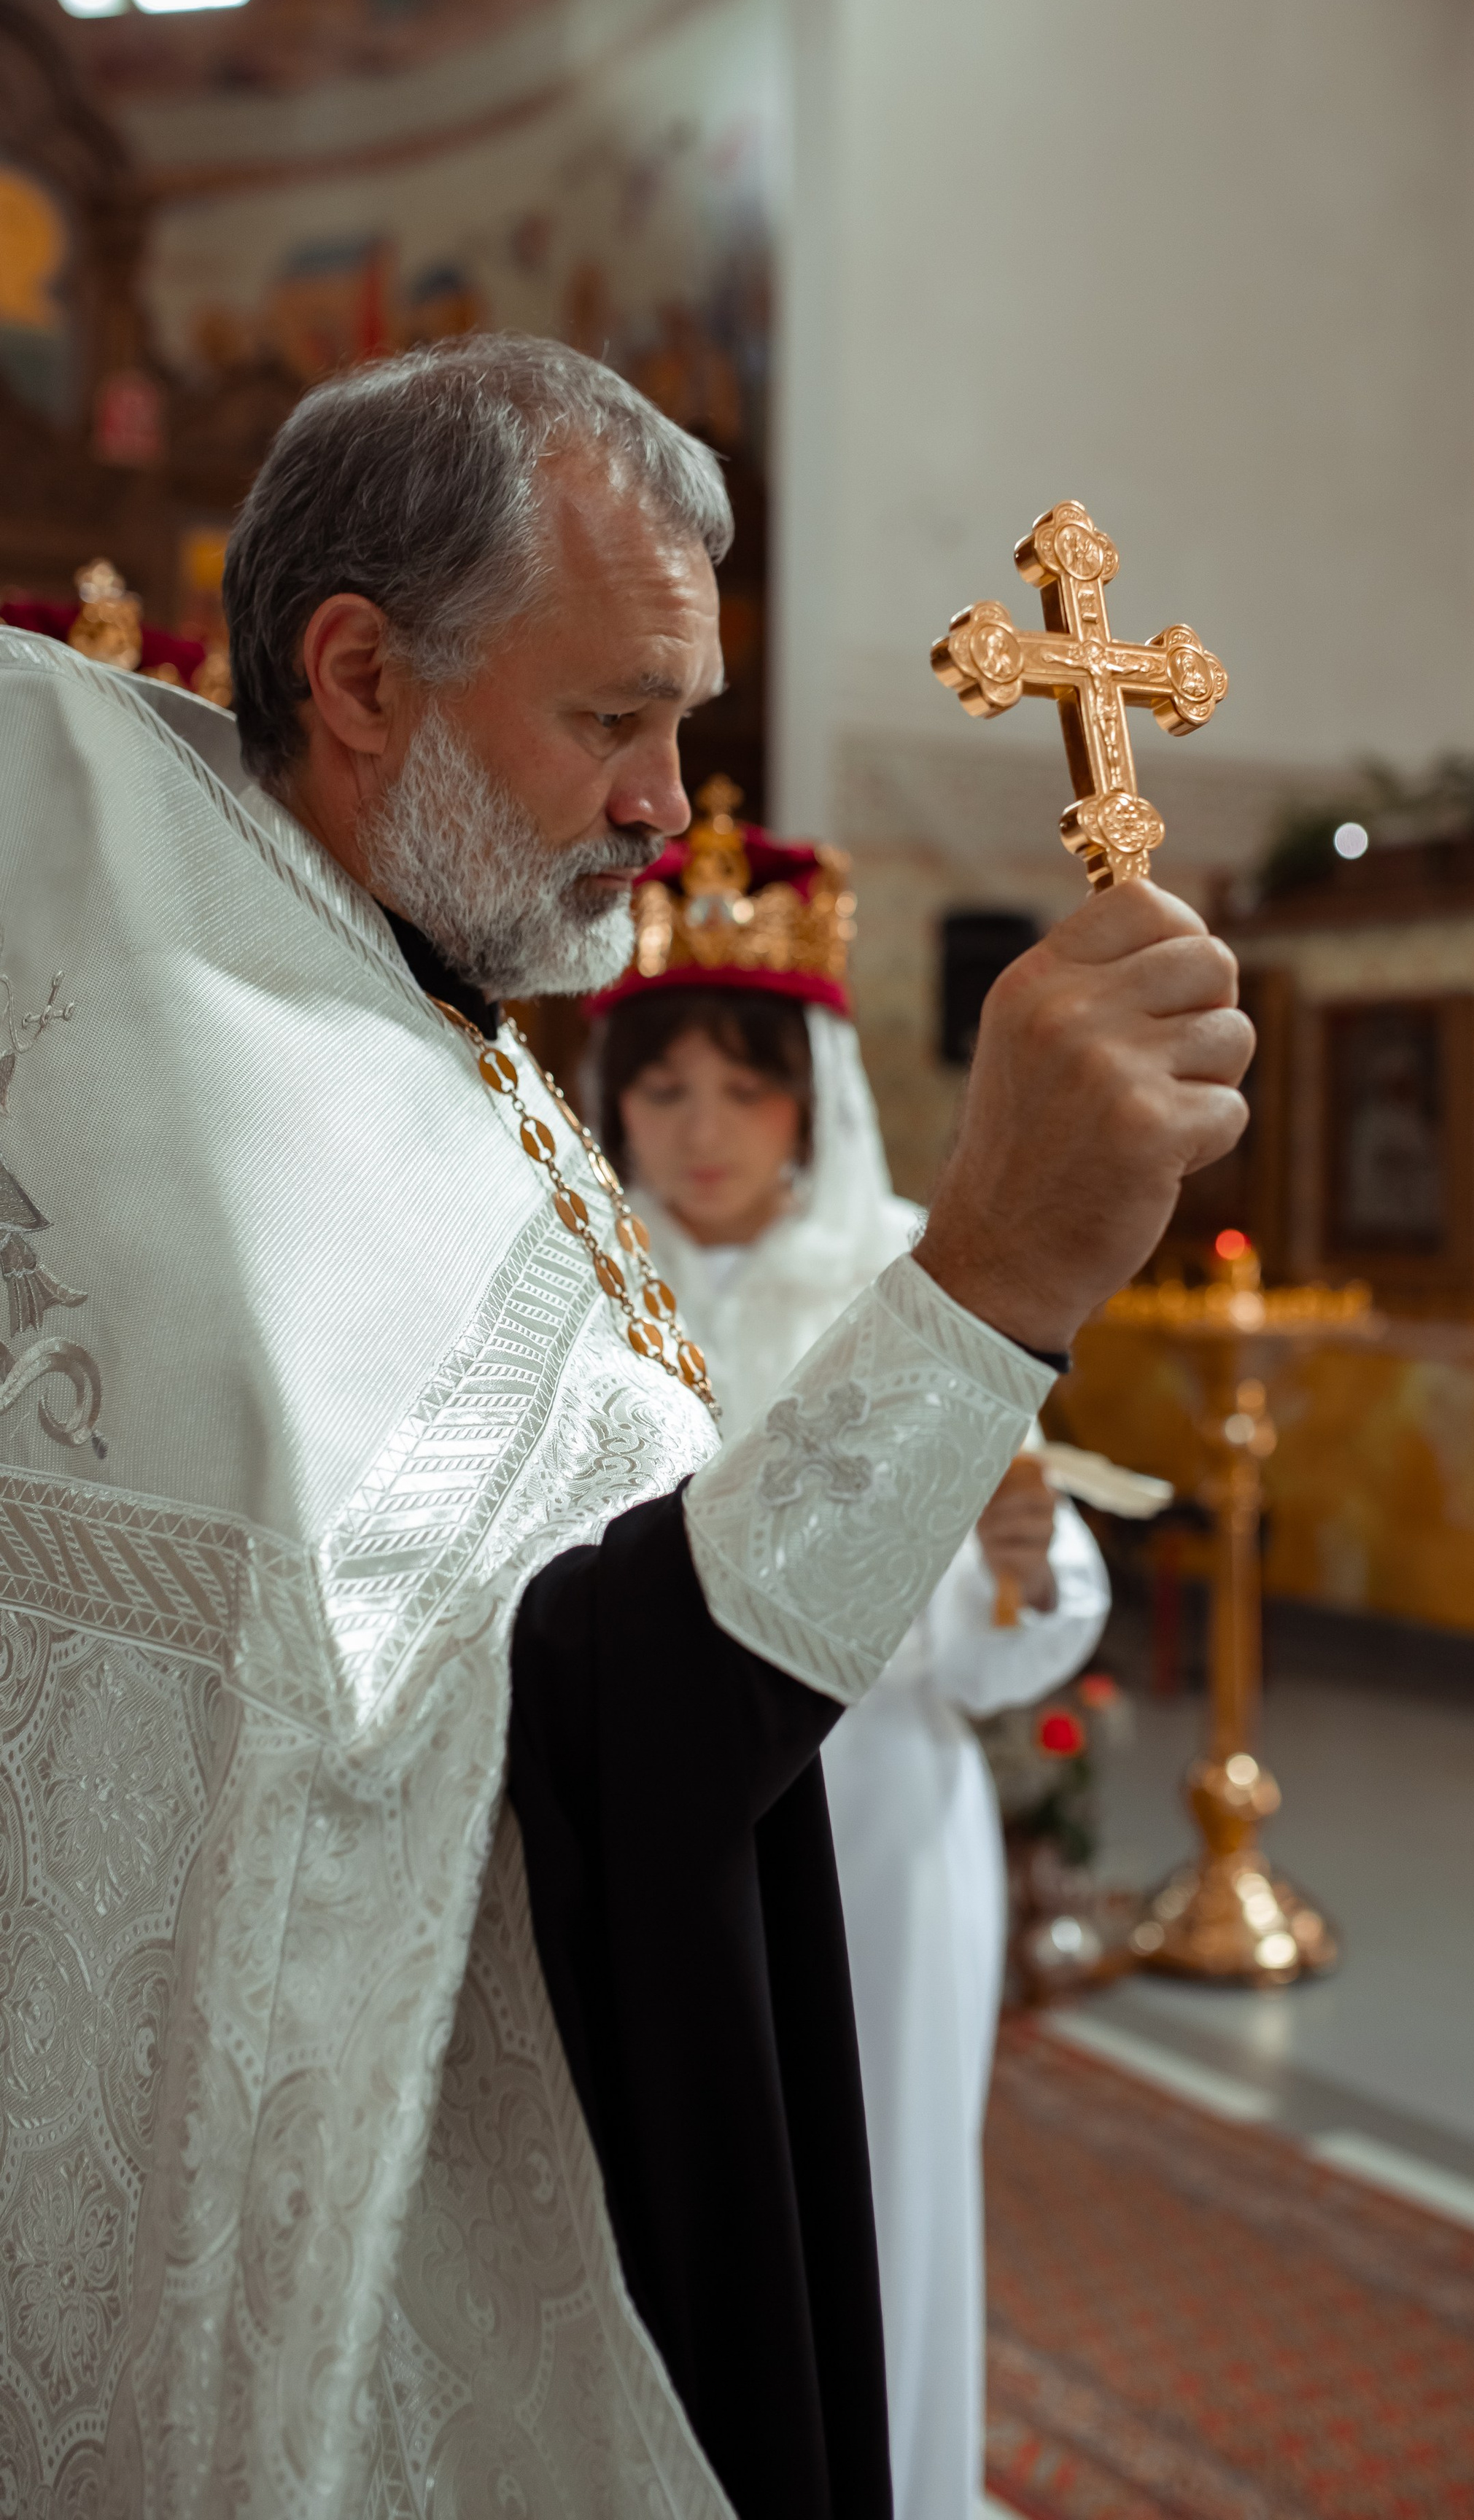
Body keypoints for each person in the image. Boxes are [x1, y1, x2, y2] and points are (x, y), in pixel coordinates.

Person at [0, 334, 1250, 2520]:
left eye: (686, 726)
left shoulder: (405, 1007)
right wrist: (994, 1282)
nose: (670, 803)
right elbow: (549, 1733)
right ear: (363, 676)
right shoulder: (231, 1115)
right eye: (614, 718)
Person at [592, 788, 1109, 2520]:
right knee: (650, 2200)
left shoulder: (912, 1280)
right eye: (662, 1087)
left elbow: (1028, 1599)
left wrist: (1017, 1576)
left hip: (875, 1809)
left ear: (812, 1098)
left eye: (743, 1085)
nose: (702, 1129)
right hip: (649, 1830)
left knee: (878, 2197)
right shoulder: (576, 1282)